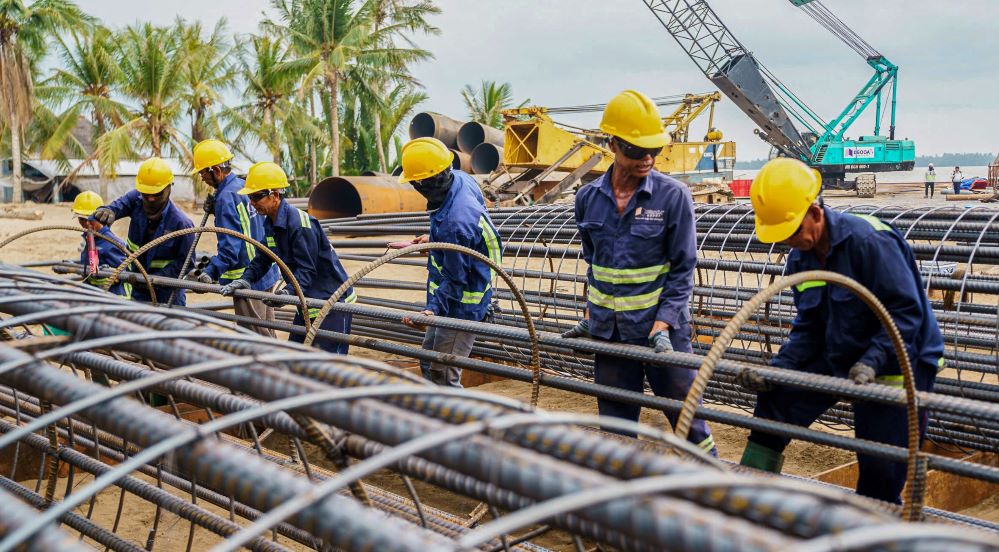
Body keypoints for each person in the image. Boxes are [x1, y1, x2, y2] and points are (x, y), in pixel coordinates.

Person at [738, 157, 944, 504]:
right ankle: (749, 502)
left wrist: (872, 362)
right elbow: (808, 327)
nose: (789, 241)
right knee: (775, 402)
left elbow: (906, 315)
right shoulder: (801, 256)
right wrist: (778, 372)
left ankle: (875, 527)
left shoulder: (869, 242)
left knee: (879, 468)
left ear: (815, 212)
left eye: (791, 231)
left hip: (898, 361)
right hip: (841, 351)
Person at [564, 89, 716, 456]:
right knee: (616, 428)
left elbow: (683, 268)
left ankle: (716, 487)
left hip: (659, 333)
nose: (647, 158)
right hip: (611, 334)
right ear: (613, 144)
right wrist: (592, 314)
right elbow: (595, 263)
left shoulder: (673, 196)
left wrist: (663, 324)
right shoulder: (587, 197)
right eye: (636, 150)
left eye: (654, 150)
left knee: (687, 421)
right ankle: (623, 501)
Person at [398, 137, 503, 388]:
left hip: (461, 303)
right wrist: (432, 239)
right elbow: (461, 241)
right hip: (453, 291)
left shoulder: (456, 223)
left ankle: (461, 423)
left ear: (424, 183)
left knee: (444, 374)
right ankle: (440, 416)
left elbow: (456, 279)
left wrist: (431, 310)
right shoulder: (460, 179)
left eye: (414, 182)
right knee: (428, 361)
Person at [219, 162, 355, 353]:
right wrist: (246, 279)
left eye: (257, 196)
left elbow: (306, 271)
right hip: (307, 300)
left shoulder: (300, 226)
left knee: (327, 367)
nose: (252, 202)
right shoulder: (271, 223)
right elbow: (264, 258)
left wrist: (287, 293)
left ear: (274, 195)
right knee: (295, 358)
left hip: (331, 302)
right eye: (250, 197)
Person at [189, 139, 281, 337]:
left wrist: (210, 273)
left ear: (215, 170)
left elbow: (230, 248)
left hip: (246, 277)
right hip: (265, 270)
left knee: (254, 337)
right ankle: (277, 365)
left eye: (203, 172)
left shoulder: (224, 198)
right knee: (267, 331)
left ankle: (267, 368)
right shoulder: (241, 186)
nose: (202, 178)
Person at [92, 157, 195, 305]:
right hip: (138, 289)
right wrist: (107, 210)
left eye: (156, 194)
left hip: (167, 295)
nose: (151, 199)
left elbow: (186, 263)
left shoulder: (182, 225)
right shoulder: (135, 200)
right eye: (147, 194)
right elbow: (117, 206)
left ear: (169, 188)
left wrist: (153, 280)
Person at [71, 191, 132, 299]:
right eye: (81, 220)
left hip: (113, 299)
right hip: (95, 294)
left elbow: (124, 273)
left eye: (89, 220)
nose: (86, 224)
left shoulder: (111, 243)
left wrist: (105, 275)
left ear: (100, 217)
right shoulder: (90, 239)